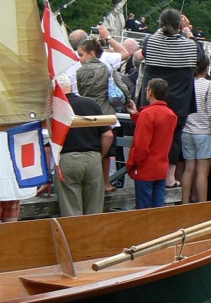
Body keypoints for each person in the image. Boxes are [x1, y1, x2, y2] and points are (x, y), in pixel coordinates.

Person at [140, 8, 200, 187]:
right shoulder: (190, 46)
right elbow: (201, 56)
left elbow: (145, 49)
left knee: (149, 136)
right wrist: (188, 30)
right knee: (174, 138)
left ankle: (148, 171)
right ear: (179, 25)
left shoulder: (150, 41)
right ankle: (170, 176)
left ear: (160, 25)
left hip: (153, 99)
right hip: (179, 102)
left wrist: (163, 29)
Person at [75, 37, 133, 193]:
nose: (79, 58)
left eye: (81, 55)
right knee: (107, 153)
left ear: (91, 54)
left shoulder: (80, 71)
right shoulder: (107, 68)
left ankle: (87, 182)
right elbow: (121, 87)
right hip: (106, 114)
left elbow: (80, 91)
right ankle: (105, 183)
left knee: (87, 149)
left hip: (86, 115)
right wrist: (127, 101)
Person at [56, 74, 113, 217]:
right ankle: (93, 239)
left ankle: (75, 239)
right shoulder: (91, 103)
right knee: (94, 212)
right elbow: (108, 135)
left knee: (71, 211)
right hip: (93, 157)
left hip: (67, 158)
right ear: (71, 86)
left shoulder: (56, 108)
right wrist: (99, 156)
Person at [126, 78, 177, 208]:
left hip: (145, 168)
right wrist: (137, 115)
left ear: (150, 92)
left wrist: (132, 163)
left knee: (144, 211)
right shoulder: (171, 114)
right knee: (158, 209)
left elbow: (141, 145)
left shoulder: (147, 114)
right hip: (161, 167)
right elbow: (158, 132)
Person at [180, 52, 211, 204]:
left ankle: (185, 202)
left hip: (187, 131)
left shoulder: (187, 84)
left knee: (188, 169)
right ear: (207, 68)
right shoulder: (209, 86)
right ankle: (201, 204)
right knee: (202, 172)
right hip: (204, 132)